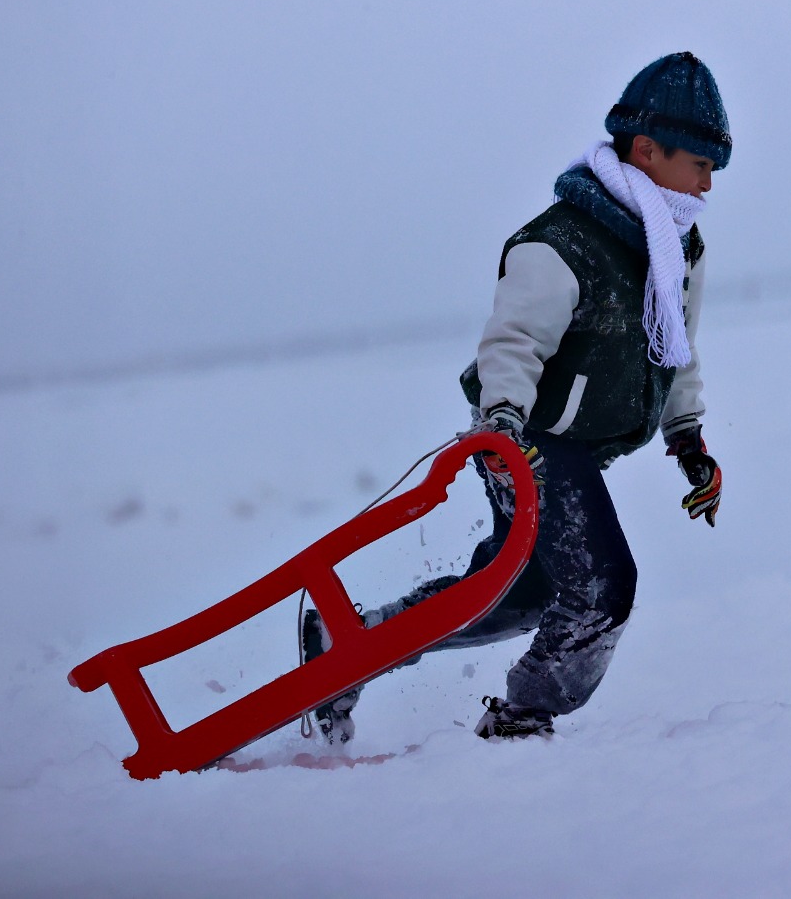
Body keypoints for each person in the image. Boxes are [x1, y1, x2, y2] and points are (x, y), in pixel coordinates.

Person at [302, 52, 730, 742]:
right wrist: (501, 430)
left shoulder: (677, 246)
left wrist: (689, 440)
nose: (708, 184)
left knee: (518, 595)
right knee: (599, 592)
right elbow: (511, 346)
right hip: (527, 438)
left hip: (580, 447)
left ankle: (348, 644)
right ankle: (524, 721)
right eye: (700, 165)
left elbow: (673, 349)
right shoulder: (561, 243)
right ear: (647, 150)